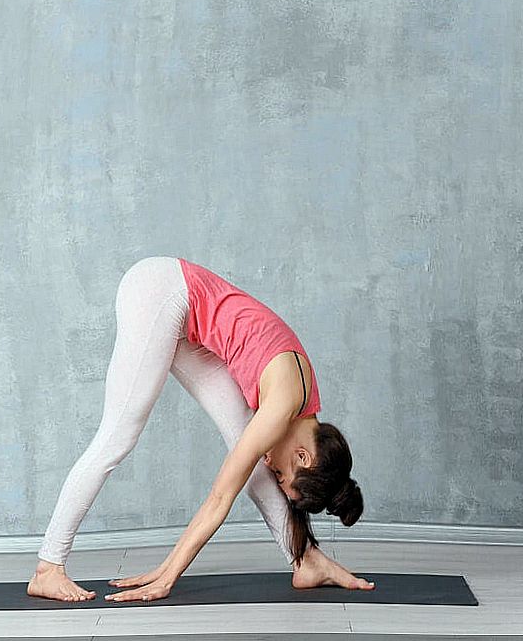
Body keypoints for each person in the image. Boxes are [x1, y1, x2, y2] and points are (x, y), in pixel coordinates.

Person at [27, 256, 374, 603]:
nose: (273, 467)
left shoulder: (303, 405)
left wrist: (168, 569)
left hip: (187, 321)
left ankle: (306, 560)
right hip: (161, 292)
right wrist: (168, 575)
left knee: (249, 466)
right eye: (282, 472)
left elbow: (244, 478)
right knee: (118, 435)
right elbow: (221, 496)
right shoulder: (282, 407)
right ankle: (48, 568)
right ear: (303, 455)